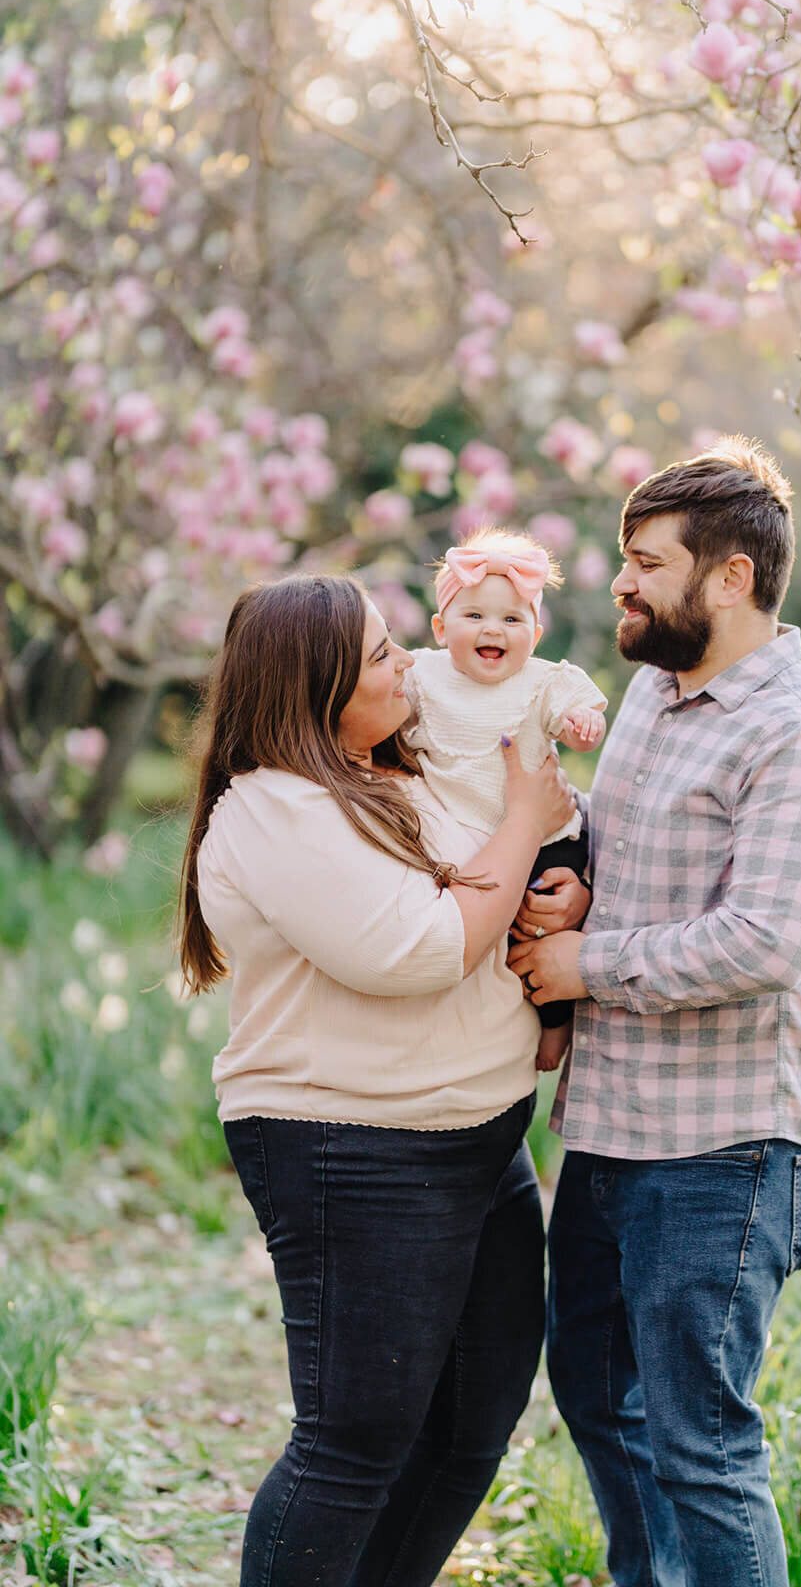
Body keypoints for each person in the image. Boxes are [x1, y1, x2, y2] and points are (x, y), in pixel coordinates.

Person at [509, 438, 801, 1587]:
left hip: (724, 1150)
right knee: (596, 1397)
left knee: (699, 1446)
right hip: (611, 1130)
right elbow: (629, 863)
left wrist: (583, 962)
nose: (619, 581)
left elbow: (763, 940)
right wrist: (571, 874)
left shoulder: (799, 736)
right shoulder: (652, 695)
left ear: (728, 578)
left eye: (644, 561)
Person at [177, 572, 575, 1587]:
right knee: (355, 1438)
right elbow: (415, 949)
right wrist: (525, 820)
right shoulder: (276, 808)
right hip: (354, 1148)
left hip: (476, 1135)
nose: (410, 666)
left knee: (469, 1423)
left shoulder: (390, 778)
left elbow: (476, 897)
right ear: (315, 693)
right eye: (382, 657)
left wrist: (544, 899)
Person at [407, 528, 607, 1073]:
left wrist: (581, 724)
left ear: (536, 635)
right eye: (474, 616)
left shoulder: (542, 683)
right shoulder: (423, 675)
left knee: (541, 930)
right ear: (440, 627)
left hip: (543, 838)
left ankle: (555, 1024)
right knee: (474, 940)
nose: (493, 628)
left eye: (512, 620)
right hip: (461, 836)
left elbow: (578, 713)